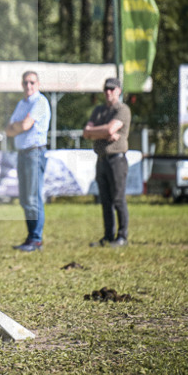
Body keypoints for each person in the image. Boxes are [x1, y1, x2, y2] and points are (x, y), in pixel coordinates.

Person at [5, 71, 51, 252]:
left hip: (34, 153)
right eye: (25, 82)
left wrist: (18, 126)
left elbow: (24, 125)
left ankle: (36, 239)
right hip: (22, 153)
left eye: (32, 82)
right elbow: (9, 130)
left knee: (33, 197)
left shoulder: (40, 102)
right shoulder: (22, 104)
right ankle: (31, 237)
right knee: (25, 199)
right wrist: (20, 126)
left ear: (38, 84)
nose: (28, 86)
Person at [83, 77, 132, 247]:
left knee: (118, 199)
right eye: (106, 89)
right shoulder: (99, 110)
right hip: (102, 159)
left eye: (112, 89)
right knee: (105, 201)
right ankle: (108, 236)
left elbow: (110, 129)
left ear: (119, 91)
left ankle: (122, 236)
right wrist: (103, 132)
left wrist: (97, 131)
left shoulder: (123, 109)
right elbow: (86, 132)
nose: (108, 92)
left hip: (116, 159)